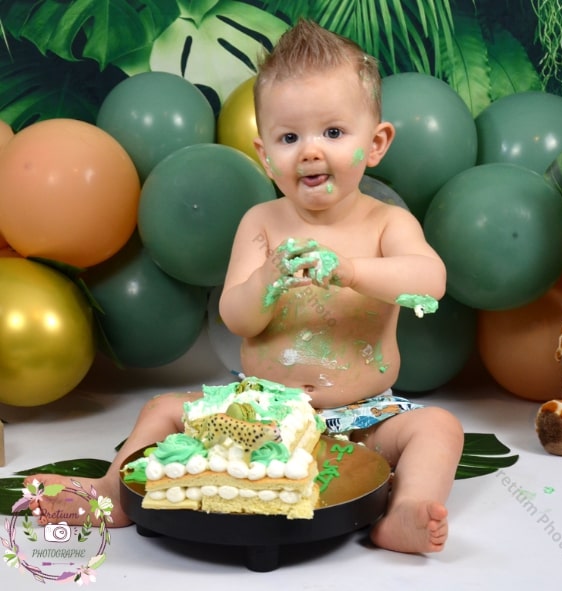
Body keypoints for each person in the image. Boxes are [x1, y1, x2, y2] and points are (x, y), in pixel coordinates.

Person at [25, 19, 463, 554]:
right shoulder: (262, 223)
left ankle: (405, 510)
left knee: (438, 428)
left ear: (375, 143)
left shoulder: (386, 223)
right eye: (288, 137)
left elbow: (430, 280)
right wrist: (267, 281)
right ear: (263, 154)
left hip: (363, 418)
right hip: (257, 417)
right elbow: (238, 317)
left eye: (332, 132)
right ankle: (114, 493)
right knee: (163, 408)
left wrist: (351, 271)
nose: (309, 151)